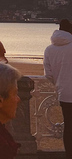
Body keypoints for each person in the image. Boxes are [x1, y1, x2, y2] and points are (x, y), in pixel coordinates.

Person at [44, 19, 72, 158]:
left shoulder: (49, 49)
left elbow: (48, 74)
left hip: (64, 94)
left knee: (69, 127)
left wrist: (60, 84)